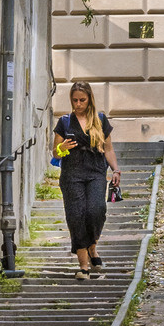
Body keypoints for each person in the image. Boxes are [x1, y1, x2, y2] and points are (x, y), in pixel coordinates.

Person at [54, 79, 120, 278]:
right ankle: (83, 263)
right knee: (76, 215)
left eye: (82, 100)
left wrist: (116, 170)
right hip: (72, 174)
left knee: (96, 210)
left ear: (89, 99)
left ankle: (93, 246)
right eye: (74, 100)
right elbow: (55, 153)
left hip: (95, 171)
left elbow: (108, 149)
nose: (78, 104)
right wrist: (61, 148)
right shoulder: (65, 122)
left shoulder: (100, 120)